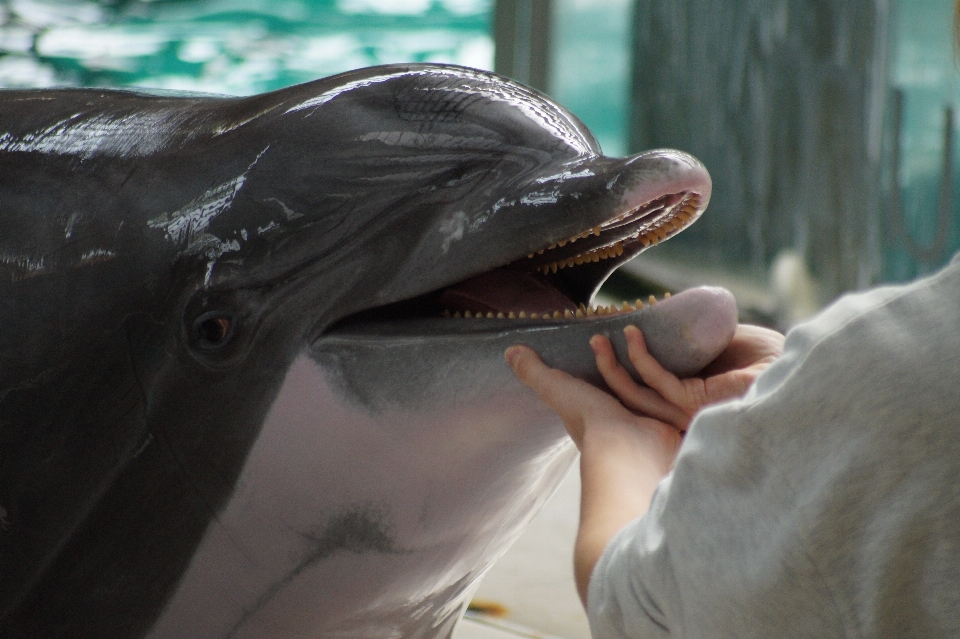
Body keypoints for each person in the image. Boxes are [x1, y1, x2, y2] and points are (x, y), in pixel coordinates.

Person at [504, 6, 960, 631]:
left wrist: (622, 442)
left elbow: (645, 607)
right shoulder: (894, 358)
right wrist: (813, 395)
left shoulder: (897, 363)